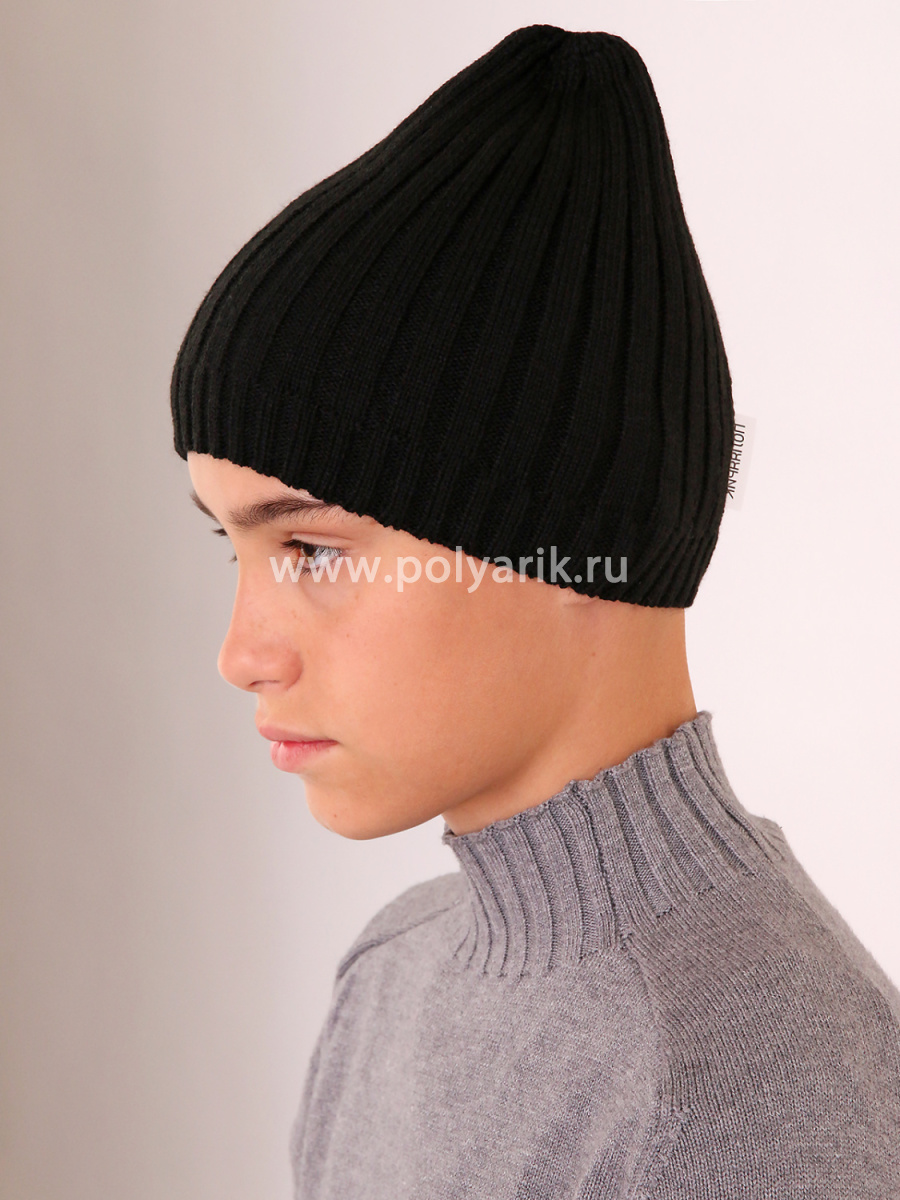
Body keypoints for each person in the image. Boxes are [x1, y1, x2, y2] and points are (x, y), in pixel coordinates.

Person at [171, 24, 900, 1199]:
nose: (241, 654)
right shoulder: (397, 971)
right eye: (234, 545)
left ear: (569, 539)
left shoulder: (754, 1089)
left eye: (309, 547)